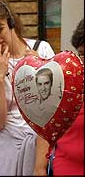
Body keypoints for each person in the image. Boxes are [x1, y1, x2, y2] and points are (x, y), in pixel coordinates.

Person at [0, 0, 55, 176]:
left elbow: (53, 108)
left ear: (11, 23)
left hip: (39, 146)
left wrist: (42, 67)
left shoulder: (42, 50)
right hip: (3, 152)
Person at [34, 18, 84, 176]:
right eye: (82, 54)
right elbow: (47, 124)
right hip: (67, 166)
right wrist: (40, 168)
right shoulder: (67, 83)